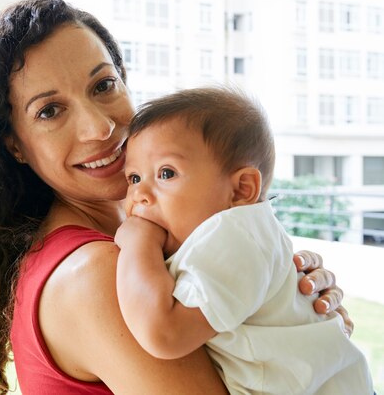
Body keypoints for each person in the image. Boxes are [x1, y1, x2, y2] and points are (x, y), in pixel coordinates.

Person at [0, 0, 352, 394]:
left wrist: (292, 316)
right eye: (50, 111)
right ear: (14, 145)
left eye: (103, 85)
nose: (100, 128)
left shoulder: (153, 237)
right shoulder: (97, 272)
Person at [115, 86, 373, 394]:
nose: (139, 195)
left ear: (241, 190)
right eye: (134, 178)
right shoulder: (233, 234)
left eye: (166, 173)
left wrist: (136, 244)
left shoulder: (232, 236)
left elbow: (165, 334)